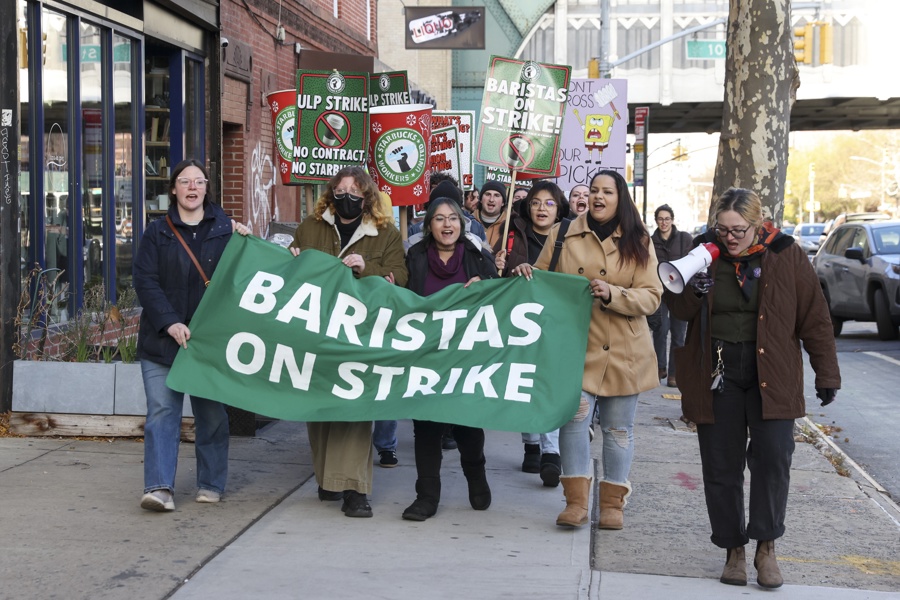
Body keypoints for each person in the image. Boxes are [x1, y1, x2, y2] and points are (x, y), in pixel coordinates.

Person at [664, 188, 840, 589]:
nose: (730, 237)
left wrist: (826, 373)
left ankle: (766, 548)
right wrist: (694, 288)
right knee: (721, 465)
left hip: (772, 374)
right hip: (718, 373)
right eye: (723, 229)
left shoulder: (785, 253)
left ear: (758, 224)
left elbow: (815, 317)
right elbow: (677, 309)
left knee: (773, 460)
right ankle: (733, 551)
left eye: (739, 230)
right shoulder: (703, 253)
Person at [511, 169, 661, 530]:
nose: (598, 197)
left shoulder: (639, 238)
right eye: (593, 190)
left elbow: (653, 295)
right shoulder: (564, 232)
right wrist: (523, 272)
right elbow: (541, 278)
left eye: (606, 192)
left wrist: (615, 294)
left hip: (626, 352)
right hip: (576, 347)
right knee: (574, 421)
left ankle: (612, 505)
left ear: (619, 197)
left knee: (617, 429)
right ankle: (575, 503)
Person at [289, 165, 408, 518]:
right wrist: (293, 261)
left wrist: (365, 270)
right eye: (340, 191)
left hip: (361, 334)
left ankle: (355, 490)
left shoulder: (385, 233)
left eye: (355, 193)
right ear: (330, 193)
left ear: (367, 197)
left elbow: (400, 276)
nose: (347, 198)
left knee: (355, 407)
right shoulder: (310, 227)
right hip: (317, 330)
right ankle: (329, 479)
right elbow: (289, 267)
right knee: (320, 407)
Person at [133, 158, 250, 512]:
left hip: (209, 344)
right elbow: (145, 281)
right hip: (162, 341)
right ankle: (159, 488)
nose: (193, 188)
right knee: (161, 414)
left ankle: (211, 482)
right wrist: (170, 322)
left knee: (211, 416)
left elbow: (247, 279)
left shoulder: (228, 230)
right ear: (174, 189)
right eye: (185, 182)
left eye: (199, 182)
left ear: (206, 188)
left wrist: (250, 243)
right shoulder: (158, 232)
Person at [401, 196, 498, 521]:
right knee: (426, 427)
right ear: (429, 225)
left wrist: (486, 284)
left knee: (467, 427)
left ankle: (476, 475)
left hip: (467, 358)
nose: (447, 224)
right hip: (426, 356)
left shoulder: (476, 256)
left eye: (453, 218)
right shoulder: (414, 257)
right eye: (439, 218)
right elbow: (400, 295)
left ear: (462, 223)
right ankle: (426, 497)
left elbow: (501, 296)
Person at [494, 181, 570, 488]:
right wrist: (498, 264)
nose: (542, 208)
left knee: (551, 382)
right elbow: (494, 278)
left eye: (549, 203)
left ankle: (551, 450)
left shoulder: (570, 235)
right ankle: (531, 444)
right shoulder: (512, 234)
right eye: (536, 202)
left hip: (556, 322)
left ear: (559, 208)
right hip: (520, 321)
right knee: (525, 382)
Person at [649, 204, 692, 387]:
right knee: (660, 329)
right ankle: (660, 368)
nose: (664, 222)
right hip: (660, 292)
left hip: (680, 292)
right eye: (660, 219)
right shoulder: (650, 241)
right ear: (656, 220)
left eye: (667, 219)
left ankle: (675, 373)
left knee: (678, 334)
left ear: (672, 220)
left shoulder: (683, 239)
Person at [474, 180, 507, 248]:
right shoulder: (468, 222)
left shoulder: (509, 225)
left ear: (503, 202)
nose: (491, 199)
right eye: (488, 194)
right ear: (480, 199)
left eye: (496, 195)